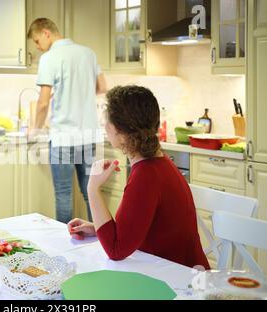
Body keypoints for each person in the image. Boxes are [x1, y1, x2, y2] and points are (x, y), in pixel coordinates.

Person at [68, 86, 210, 269]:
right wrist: (98, 229)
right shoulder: (158, 163)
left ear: (119, 130)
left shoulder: (146, 176)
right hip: (178, 271)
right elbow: (138, 228)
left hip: (180, 283)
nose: (104, 126)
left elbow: (116, 251)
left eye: (106, 121)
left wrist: (93, 189)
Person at [27, 17, 108, 224]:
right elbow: (101, 87)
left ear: (46, 33)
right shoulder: (88, 53)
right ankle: (99, 239)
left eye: (37, 41)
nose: (38, 47)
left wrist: (34, 129)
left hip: (63, 137)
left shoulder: (49, 58)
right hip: (88, 136)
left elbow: (43, 103)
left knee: (63, 194)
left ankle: (65, 243)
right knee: (90, 192)